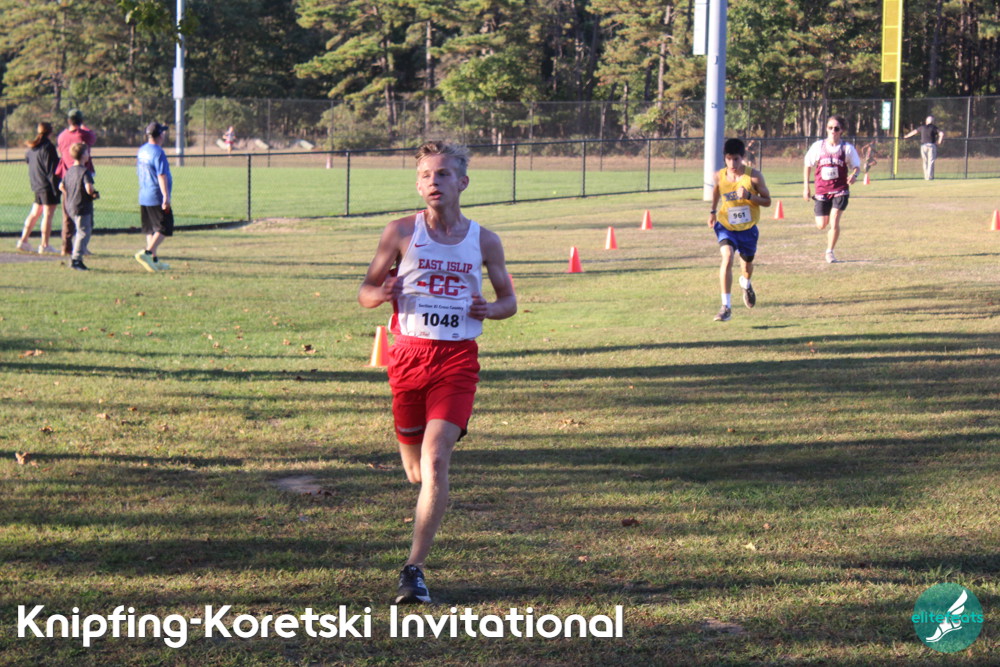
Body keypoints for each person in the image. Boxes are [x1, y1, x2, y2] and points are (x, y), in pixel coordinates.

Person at [358, 141, 517, 604]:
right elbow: (365, 292)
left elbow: (509, 301)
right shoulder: (400, 232)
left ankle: (414, 570)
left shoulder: (484, 240)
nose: (434, 182)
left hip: (456, 361)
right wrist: (383, 291)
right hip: (407, 359)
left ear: (462, 182)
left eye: (444, 174)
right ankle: (429, 496)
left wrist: (490, 309)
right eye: (426, 175)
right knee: (416, 472)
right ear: (418, 184)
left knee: (434, 461)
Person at [708, 138, 772, 322]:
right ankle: (726, 307)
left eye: (736, 159)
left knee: (747, 266)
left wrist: (750, 196)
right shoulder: (719, 175)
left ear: (742, 157)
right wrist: (712, 211)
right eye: (729, 159)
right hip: (726, 226)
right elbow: (716, 190)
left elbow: (767, 201)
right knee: (727, 256)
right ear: (724, 158)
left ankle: (746, 283)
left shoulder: (754, 177)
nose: (732, 164)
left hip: (747, 229)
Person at [803, 115, 861, 264]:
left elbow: (856, 166)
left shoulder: (847, 148)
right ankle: (825, 217)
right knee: (821, 225)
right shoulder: (818, 146)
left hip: (840, 190)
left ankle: (830, 252)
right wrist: (806, 187)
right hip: (822, 190)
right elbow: (808, 165)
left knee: (834, 220)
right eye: (830, 128)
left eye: (836, 128)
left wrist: (854, 175)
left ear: (842, 130)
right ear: (826, 129)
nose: (833, 131)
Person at [55, 109, 97, 256]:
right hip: (81, 176)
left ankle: (66, 247)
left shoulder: (61, 136)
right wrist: (85, 128)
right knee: (85, 214)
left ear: (68, 120)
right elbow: (93, 137)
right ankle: (82, 248)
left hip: (67, 176)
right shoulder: (83, 134)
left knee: (67, 214)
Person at [16, 122, 61, 254]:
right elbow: (52, 170)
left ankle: (23, 241)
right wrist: (56, 188)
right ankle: (44, 245)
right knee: (47, 215)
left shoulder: (32, 148)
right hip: (47, 186)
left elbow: (29, 161)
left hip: (37, 185)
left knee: (35, 213)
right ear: (50, 132)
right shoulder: (48, 147)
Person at [135, 122, 173, 272]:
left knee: (151, 229)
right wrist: (165, 197)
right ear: (159, 135)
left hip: (144, 194)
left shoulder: (143, 150)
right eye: (162, 132)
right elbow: (161, 175)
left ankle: (154, 260)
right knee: (165, 227)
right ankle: (147, 253)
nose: (164, 134)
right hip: (156, 194)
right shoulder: (158, 152)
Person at [58, 143, 99, 271]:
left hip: (70, 205)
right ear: (82, 155)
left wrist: (70, 194)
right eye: (86, 152)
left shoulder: (70, 170)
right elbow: (89, 188)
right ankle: (76, 260)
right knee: (83, 232)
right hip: (81, 205)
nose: (88, 154)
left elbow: (61, 186)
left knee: (81, 230)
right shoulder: (84, 171)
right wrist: (93, 194)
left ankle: (77, 256)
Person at [903, 115, 944, 180]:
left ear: (926, 121)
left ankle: (926, 176)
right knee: (931, 161)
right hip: (931, 145)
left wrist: (907, 136)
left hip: (924, 146)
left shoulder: (922, 127)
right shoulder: (934, 128)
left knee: (925, 161)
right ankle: (930, 176)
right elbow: (941, 134)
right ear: (933, 121)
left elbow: (914, 132)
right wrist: (939, 141)